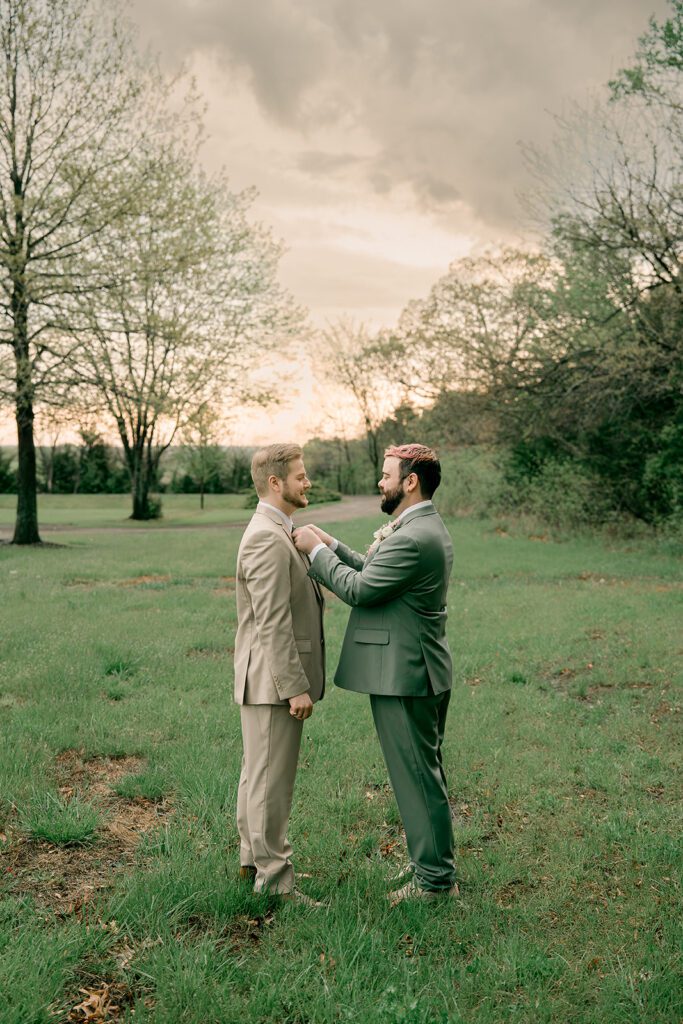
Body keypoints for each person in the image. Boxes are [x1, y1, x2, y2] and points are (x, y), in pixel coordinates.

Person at [293, 443, 458, 904]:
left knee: (418, 778)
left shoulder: (412, 535)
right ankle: (430, 866)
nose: (379, 482)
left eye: (386, 475)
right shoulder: (420, 526)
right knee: (423, 775)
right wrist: (333, 544)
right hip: (417, 669)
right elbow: (377, 570)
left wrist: (315, 554)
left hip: (406, 674)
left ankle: (434, 882)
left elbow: (362, 589)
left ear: (410, 481)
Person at [234, 443, 325, 905]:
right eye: (300, 475)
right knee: (270, 781)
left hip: (265, 679)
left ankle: (253, 860)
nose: (307, 482)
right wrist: (295, 687)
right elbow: (271, 621)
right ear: (276, 483)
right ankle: (274, 881)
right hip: (273, 682)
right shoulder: (266, 537)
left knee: (258, 774)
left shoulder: (276, 529)